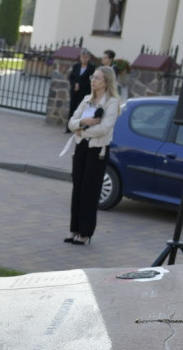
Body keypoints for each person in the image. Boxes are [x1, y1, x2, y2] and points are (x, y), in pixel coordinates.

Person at [65, 65, 120, 246]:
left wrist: (83, 132)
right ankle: (74, 229)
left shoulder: (111, 103)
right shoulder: (86, 99)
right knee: (78, 188)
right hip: (81, 148)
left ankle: (85, 232)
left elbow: (104, 128)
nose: (93, 80)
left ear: (106, 82)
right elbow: (72, 122)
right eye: (92, 77)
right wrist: (83, 122)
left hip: (97, 151)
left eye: (97, 78)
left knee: (90, 190)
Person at [68, 49, 95, 120]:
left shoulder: (91, 68)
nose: (84, 59)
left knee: (81, 109)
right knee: (72, 108)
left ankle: (78, 125)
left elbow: (90, 80)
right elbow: (71, 77)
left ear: (89, 58)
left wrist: (80, 85)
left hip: (84, 92)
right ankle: (69, 126)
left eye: (86, 57)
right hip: (74, 91)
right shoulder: (76, 66)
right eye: (82, 57)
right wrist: (75, 84)